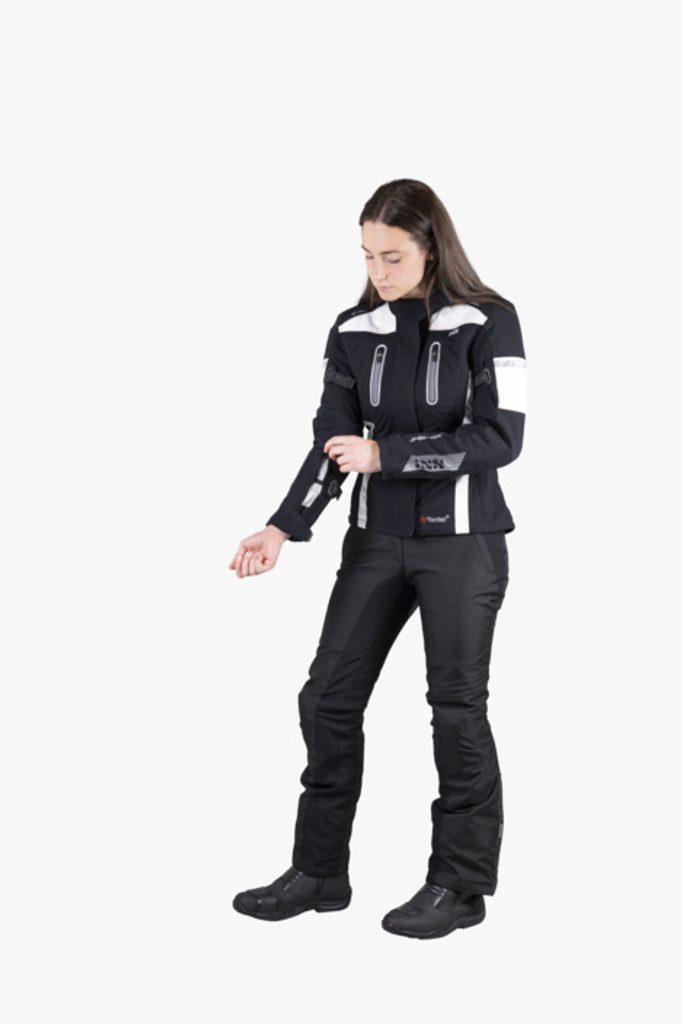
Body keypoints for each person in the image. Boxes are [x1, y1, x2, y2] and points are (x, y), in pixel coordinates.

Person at [228, 178, 527, 940]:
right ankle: (319, 872)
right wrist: (282, 526)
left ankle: (459, 885)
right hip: (374, 544)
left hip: (463, 546)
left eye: (392, 256)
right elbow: (332, 443)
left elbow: (501, 438)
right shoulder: (352, 330)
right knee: (326, 700)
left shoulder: (490, 320)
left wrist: (385, 454)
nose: (378, 271)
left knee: (456, 710)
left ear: (432, 246)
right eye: (367, 255)